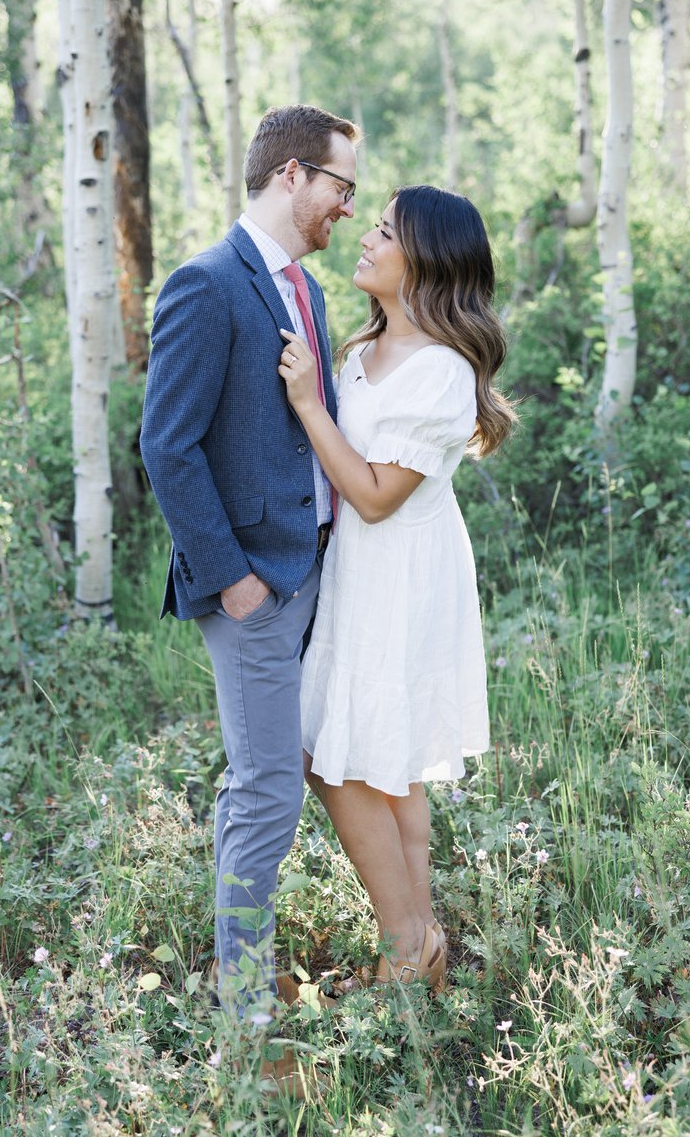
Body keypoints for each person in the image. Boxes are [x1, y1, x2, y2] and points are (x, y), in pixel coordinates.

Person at [139, 105, 360, 1039]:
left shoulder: (301, 287)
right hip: (256, 588)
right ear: (293, 176)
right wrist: (232, 578)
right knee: (266, 784)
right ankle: (241, 1021)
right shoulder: (207, 284)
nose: (350, 206)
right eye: (342, 186)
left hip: (313, 574)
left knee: (295, 771)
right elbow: (166, 444)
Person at [278, 184, 515, 989]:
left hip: (403, 574)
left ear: (427, 260)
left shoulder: (442, 372)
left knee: (337, 759)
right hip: (358, 571)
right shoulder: (360, 353)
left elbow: (377, 496)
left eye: (385, 230)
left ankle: (404, 941)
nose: (366, 237)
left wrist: (309, 404)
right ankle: (424, 947)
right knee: (387, 765)